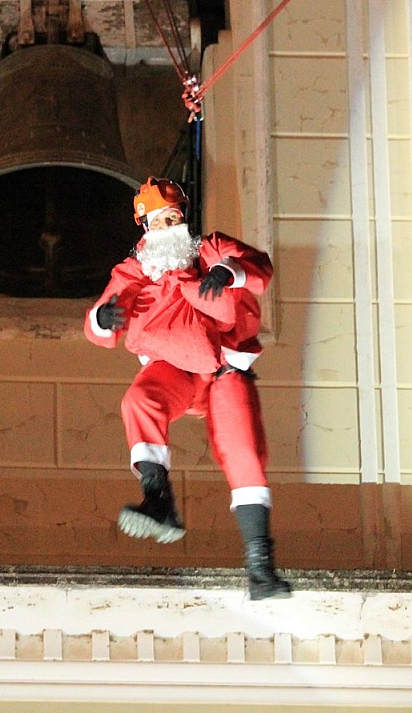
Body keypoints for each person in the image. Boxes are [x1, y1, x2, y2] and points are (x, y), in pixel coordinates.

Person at [84, 177, 291, 600]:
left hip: (223, 371)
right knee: (140, 400)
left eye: (174, 216)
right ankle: (158, 499)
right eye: (160, 219)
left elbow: (258, 268)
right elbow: (99, 321)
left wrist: (227, 273)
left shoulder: (207, 250)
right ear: (145, 227)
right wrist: (102, 320)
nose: (169, 224)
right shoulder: (134, 271)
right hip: (174, 370)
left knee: (243, 449)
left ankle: (260, 567)